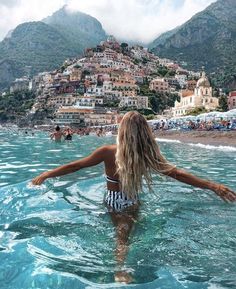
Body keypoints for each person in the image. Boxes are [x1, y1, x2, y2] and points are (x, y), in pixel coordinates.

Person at [32, 111, 236, 283]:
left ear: (122, 131)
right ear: (145, 133)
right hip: (133, 200)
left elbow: (76, 166)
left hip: (113, 200)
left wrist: (46, 174)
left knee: (122, 237)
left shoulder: (107, 152)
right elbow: (178, 174)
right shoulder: (148, 155)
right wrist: (212, 185)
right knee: (133, 231)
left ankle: (120, 271)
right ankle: (124, 269)